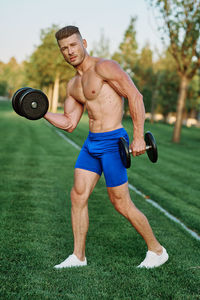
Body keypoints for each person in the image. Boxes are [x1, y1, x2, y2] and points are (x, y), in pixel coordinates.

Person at [44, 25, 169, 269]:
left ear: (84, 43)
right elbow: (69, 123)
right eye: (64, 48)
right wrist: (40, 112)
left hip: (114, 142)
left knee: (121, 203)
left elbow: (135, 97)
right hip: (92, 143)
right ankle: (78, 257)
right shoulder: (73, 85)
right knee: (78, 195)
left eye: (73, 45)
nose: (70, 51)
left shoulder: (104, 67)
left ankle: (157, 250)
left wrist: (138, 136)